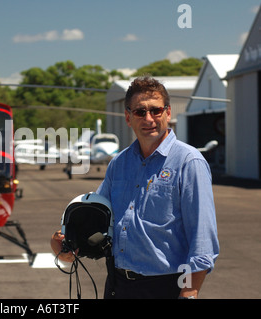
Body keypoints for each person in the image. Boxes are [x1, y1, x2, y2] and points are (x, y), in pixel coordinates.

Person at [51, 76, 219, 299]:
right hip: (118, 286)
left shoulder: (189, 162)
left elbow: (202, 240)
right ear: (128, 117)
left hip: (166, 287)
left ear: (168, 113)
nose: (148, 118)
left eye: (156, 111)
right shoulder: (118, 164)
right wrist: (65, 240)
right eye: (140, 112)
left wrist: (189, 291)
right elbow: (97, 214)